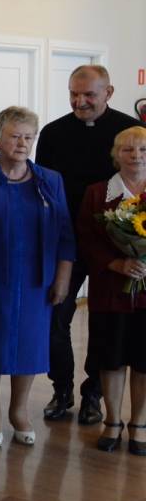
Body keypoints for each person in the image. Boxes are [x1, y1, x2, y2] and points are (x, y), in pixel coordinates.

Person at [37, 65, 140, 425]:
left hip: (116, 246)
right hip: (65, 241)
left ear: (108, 93)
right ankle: (62, 389)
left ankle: (93, 395)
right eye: (73, 94)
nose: (79, 101)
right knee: (56, 317)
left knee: (104, 324)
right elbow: (43, 189)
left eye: (89, 95)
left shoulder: (130, 131)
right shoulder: (53, 133)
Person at [0, 106, 73, 448]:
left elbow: (66, 235)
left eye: (29, 137)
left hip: (36, 280)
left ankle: (19, 410)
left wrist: (63, 278)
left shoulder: (50, 180)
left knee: (29, 345)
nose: (22, 143)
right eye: (14, 136)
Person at [77, 126, 146, 455]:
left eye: (143, 150)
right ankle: (113, 421)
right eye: (128, 149)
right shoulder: (97, 193)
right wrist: (116, 264)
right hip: (110, 290)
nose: (136, 156)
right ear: (116, 154)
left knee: (144, 362)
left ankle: (140, 424)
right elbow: (86, 239)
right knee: (111, 358)